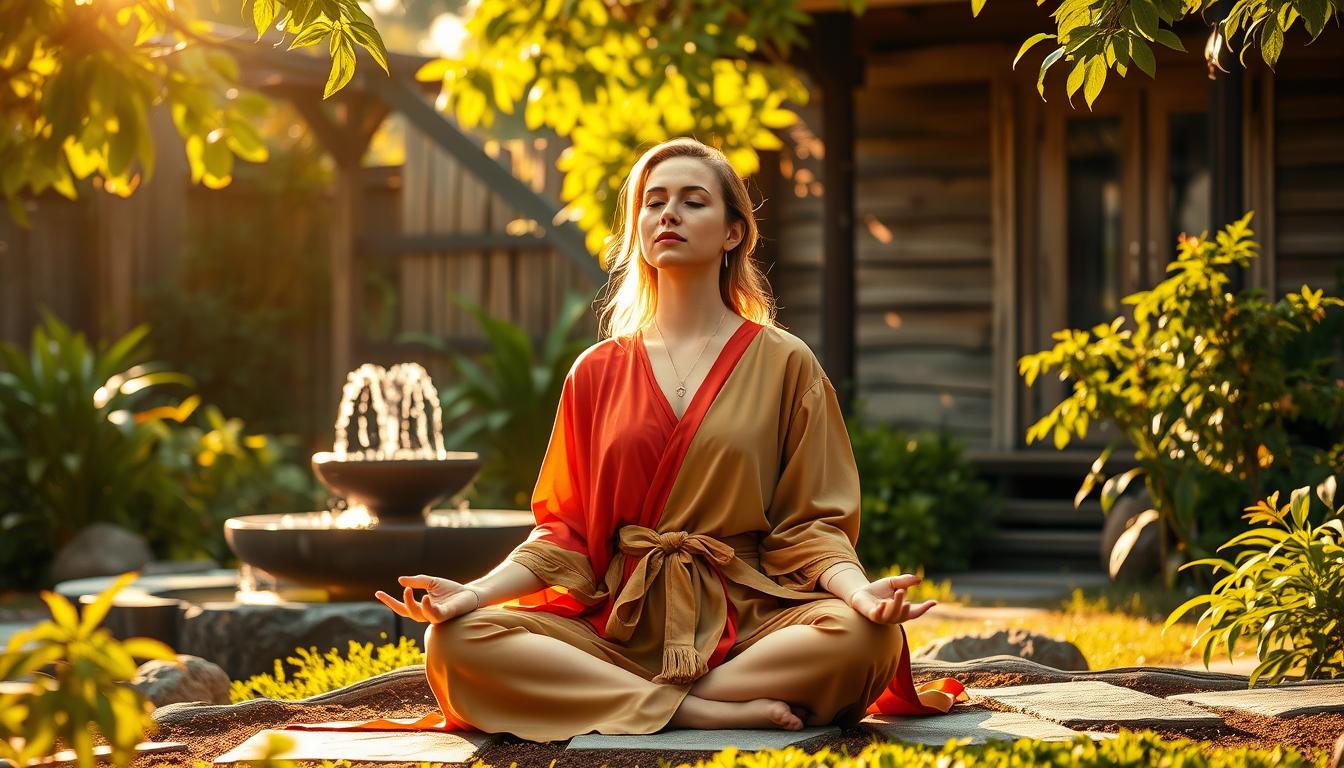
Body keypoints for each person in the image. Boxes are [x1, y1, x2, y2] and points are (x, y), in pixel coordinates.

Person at [368, 137, 966, 741]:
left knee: (868, 639)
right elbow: (565, 533)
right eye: (653, 203)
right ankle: (694, 709)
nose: (668, 214)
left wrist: (861, 595)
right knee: (455, 641)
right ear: (638, 230)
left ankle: (646, 698)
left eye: (692, 201)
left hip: (749, 621)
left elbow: (812, 527)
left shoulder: (785, 361)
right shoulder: (596, 370)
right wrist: (472, 594)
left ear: (734, 233)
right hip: (618, 626)